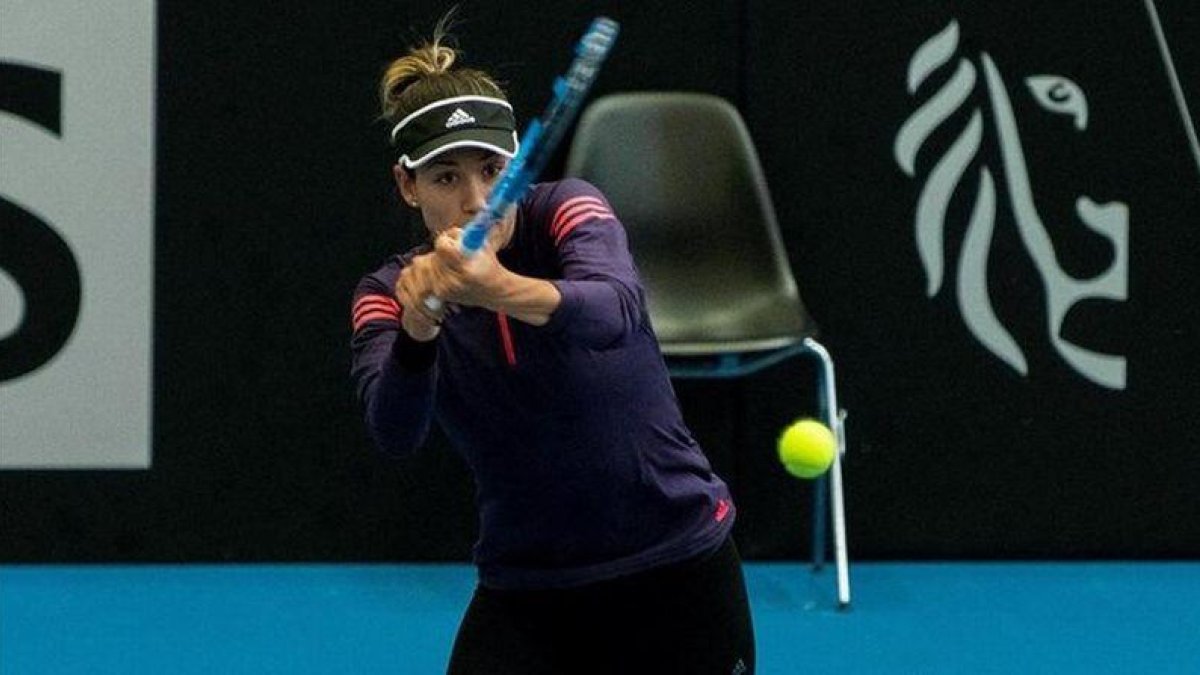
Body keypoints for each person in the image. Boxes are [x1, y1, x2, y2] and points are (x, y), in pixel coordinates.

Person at [349, 25, 755, 675]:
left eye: (491, 170)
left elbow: (616, 310)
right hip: (530, 591)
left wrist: (498, 288)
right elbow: (395, 431)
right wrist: (420, 326)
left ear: (516, 165)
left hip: (676, 565)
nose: (474, 199)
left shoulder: (569, 209)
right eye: (446, 176)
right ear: (408, 185)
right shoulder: (386, 291)